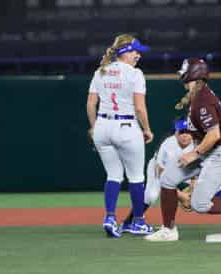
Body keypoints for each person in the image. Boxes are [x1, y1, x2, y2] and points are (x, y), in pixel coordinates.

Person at [145, 58, 221, 241]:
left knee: (199, 204)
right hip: (208, 151)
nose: (180, 75)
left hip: (220, 153)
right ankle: (168, 230)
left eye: (183, 71)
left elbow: (214, 134)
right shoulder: (197, 96)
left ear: (191, 73)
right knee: (168, 179)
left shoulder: (202, 99)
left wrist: (193, 154)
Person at [86, 34, 154, 238]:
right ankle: (139, 222)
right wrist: (147, 129)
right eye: (135, 51)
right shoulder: (135, 74)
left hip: (102, 126)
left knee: (113, 175)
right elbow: (140, 108)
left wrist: (93, 127)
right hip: (126, 126)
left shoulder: (101, 71)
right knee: (136, 177)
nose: (138, 55)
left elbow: (90, 104)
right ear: (125, 52)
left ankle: (109, 218)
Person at [120, 117, 221, 232]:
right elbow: (162, 175)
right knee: (151, 195)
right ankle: (128, 223)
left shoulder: (198, 144)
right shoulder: (167, 145)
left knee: (216, 188)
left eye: (188, 132)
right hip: (159, 169)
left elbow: (202, 166)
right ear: (175, 132)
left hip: (186, 169)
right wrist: (180, 195)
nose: (184, 135)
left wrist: (195, 183)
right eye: (181, 132)